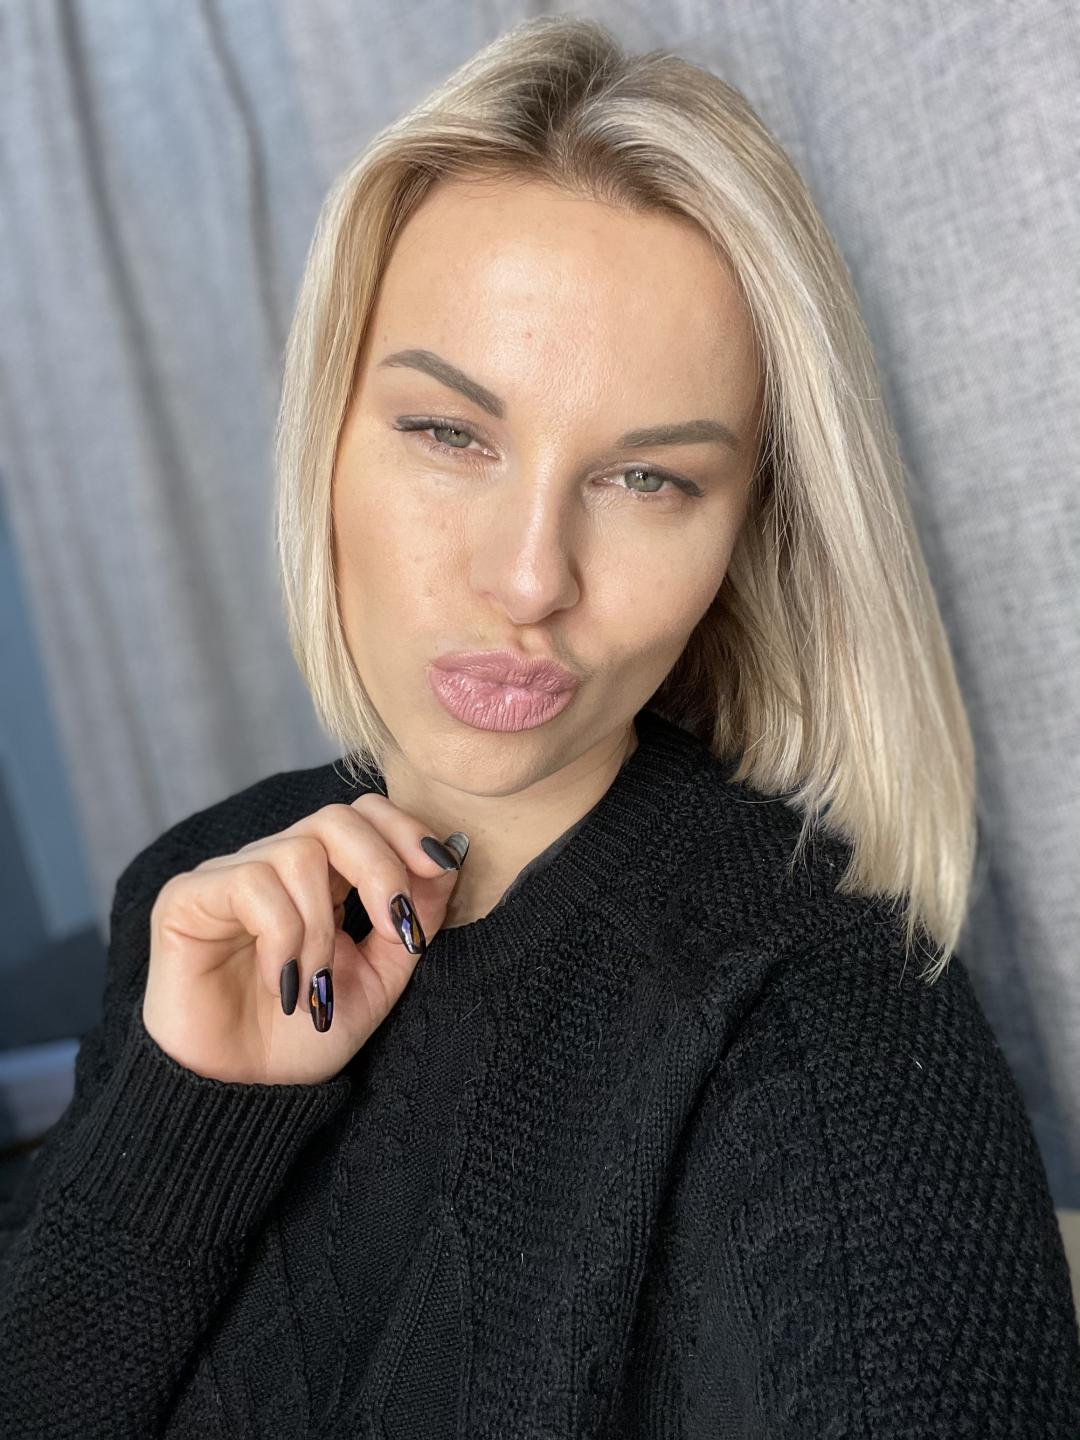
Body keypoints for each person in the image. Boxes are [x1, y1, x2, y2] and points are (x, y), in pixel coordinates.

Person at [2, 13, 1078, 1438]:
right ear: (326, 437)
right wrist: (188, 1118)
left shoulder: (831, 1029)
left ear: (745, 536)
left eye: (648, 480)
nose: (529, 580)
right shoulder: (204, 896)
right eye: (450, 435)